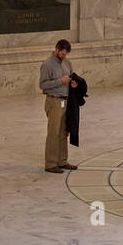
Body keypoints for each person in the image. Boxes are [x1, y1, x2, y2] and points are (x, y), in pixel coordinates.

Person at [39, 39, 78, 173]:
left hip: (66, 101)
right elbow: (43, 85)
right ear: (56, 49)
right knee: (53, 133)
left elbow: (71, 77)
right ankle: (50, 163)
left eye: (65, 54)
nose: (63, 57)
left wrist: (73, 83)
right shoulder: (47, 64)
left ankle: (62, 161)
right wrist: (60, 81)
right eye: (62, 54)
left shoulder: (67, 62)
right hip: (54, 101)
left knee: (63, 132)